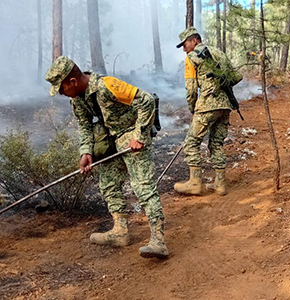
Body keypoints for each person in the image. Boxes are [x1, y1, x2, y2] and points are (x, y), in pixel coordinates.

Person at [45, 56, 168, 259]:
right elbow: (84, 126)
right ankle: (120, 231)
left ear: (73, 82)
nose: (62, 93)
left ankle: (158, 240)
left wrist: (139, 136)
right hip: (111, 140)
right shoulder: (77, 100)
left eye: (61, 88)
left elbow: (146, 100)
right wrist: (86, 152)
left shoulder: (107, 86)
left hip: (132, 138)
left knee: (142, 186)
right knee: (108, 183)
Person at [174, 27, 242, 196]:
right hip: (225, 106)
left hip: (206, 106)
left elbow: (190, 90)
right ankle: (220, 184)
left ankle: (195, 183)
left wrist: (192, 108)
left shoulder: (191, 57)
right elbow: (236, 77)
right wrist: (219, 86)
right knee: (216, 143)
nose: (184, 49)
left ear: (194, 40)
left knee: (191, 143)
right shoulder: (218, 52)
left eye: (185, 44)